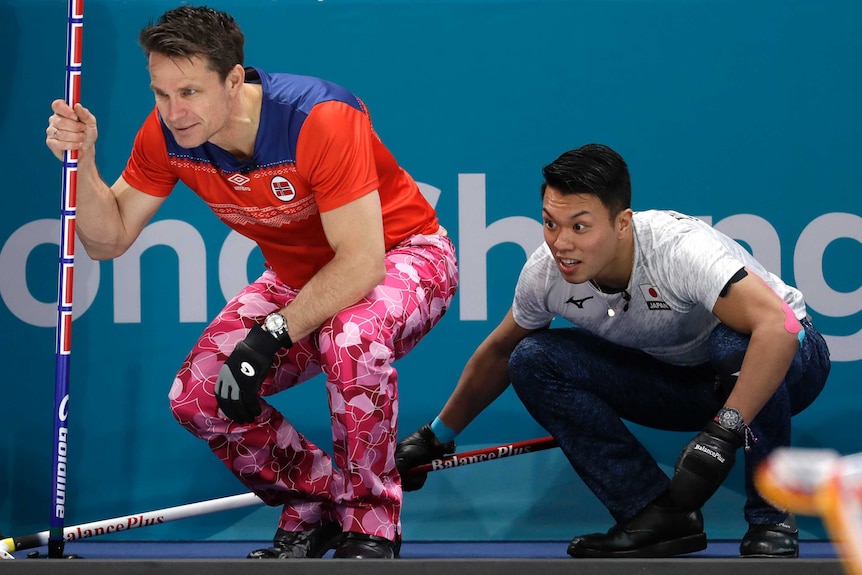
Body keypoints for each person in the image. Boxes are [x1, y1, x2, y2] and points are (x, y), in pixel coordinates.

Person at [46, 5, 458, 560]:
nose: (173, 111)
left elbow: (361, 264)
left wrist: (269, 336)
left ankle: (370, 521)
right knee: (196, 397)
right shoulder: (168, 136)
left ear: (234, 79)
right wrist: (85, 162)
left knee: (351, 340)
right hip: (298, 279)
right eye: (160, 94)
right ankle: (316, 501)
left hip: (406, 254)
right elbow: (108, 238)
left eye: (189, 92)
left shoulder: (319, 117)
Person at [396, 143, 830, 559]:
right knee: (531, 357)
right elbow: (499, 354)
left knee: (734, 342)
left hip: (791, 362)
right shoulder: (546, 274)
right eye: (550, 223)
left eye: (579, 227)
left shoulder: (679, 249)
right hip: (684, 383)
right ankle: (654, 515)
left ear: (622, 223)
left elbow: (779, 327)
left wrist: (723, 432)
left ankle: (771, 518)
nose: (561, 243)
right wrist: (437, 436)